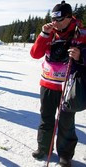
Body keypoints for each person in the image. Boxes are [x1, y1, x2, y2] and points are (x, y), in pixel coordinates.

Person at [30, 1, 86, 166]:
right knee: (46, 118)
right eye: (53, 19)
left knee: (66, 121)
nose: (55, 23)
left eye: (59, 19)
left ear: (69, 18)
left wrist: (81, 55)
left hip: (68, 86)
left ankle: (65, 155)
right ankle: (43, 148)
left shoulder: (81, 33)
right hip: (48, 82)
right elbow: (35, 54)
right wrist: (43, 35)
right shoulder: (50, 32)